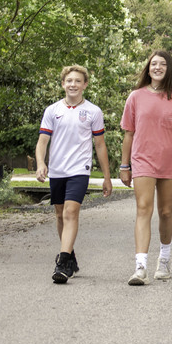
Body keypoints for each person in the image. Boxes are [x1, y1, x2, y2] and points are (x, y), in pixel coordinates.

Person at [119, 50, 172, 285]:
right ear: (148, 68)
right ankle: (140, 266)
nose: (158, 67)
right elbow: (128, 134)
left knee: (165, 211)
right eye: (154, 64)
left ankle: (164, 259)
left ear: (169, 68)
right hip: (142, 159)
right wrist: (124, 164)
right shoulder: (135, 96)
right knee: (143, 209)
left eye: (163, 64)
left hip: (168, 160)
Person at [35, 65, 112, 284]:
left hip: (79, 169)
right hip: (57, 170)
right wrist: (41, 164)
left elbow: (100, 145)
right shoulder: (52, 111)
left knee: (70, 212)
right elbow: (42, 142)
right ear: (63, 84)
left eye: (78, 81)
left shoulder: (93, 112)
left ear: (85, 85)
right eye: (69, 81)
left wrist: (107, 177)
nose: (73, 84)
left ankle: (62, 262)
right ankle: (70, 255)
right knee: (60, 215)